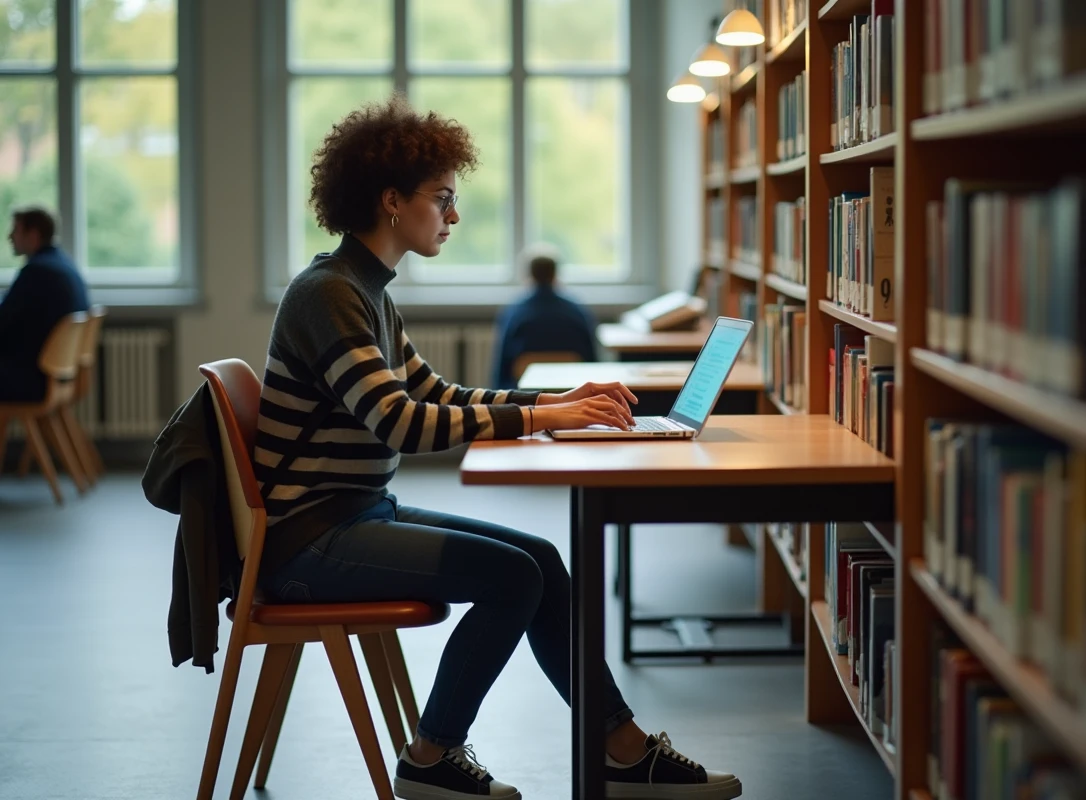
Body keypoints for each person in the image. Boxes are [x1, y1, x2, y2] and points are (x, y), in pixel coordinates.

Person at [254, 94, 742, 800]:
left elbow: (440, 394)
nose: (453, 216)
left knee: (540, 559)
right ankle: (432, 756)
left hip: (354, 513)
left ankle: (620, 748)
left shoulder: (364, 291)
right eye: (442, 199)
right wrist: (542, 420)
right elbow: (403, 423)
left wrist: (553, 406)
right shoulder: (328, 294)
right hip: (310, 541)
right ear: (392, 200)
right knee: (513, 578)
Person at [0, 207, 89, 402]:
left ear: (33, 235)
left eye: (15, 230)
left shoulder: (37, 272)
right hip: (59, 374)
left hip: (33, 379)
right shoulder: (65, 266)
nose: (9, 237)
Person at [491, 244, 597, 389]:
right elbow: (592, 359)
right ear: (555, 274)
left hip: (525, 395)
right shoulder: (576, 310)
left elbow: (502, 365)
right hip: (571, 389)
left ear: (529, 274)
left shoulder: (514, 312)